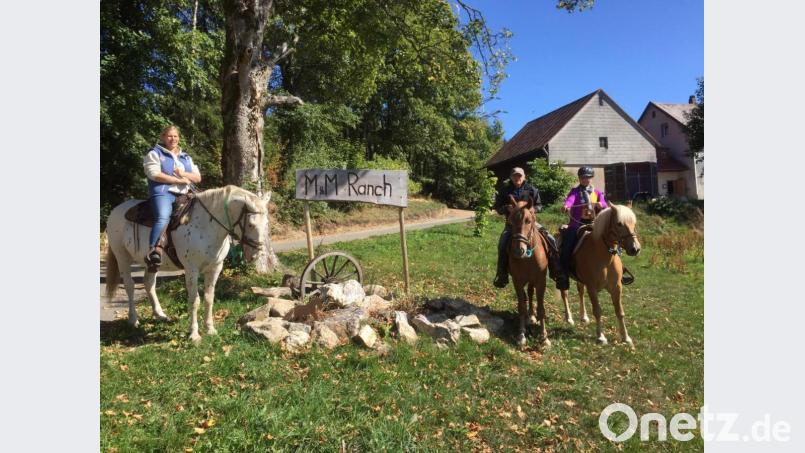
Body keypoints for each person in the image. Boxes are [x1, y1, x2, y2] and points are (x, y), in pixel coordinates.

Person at [491, 167, 561, 288]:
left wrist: (533, 209)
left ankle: (556, 270)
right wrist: (506, 208)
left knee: (550, 238)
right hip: (512, 225)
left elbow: (539, 205)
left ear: (524, 177)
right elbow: (497, 207)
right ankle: (502, 274)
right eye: (514, 176)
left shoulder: (532, 190)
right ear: (511, 177)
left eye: (519, 176)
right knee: (502, 243)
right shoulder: (505, 191)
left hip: (530, 224)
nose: (517, 178)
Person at [143, 125, 202, 267]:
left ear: (179, 138)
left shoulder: (186, 157)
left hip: (186, 194)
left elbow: (197, 177)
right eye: (169, 136)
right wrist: (178, 180)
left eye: (175, 136)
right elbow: (154, 174)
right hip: (163, 192)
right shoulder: (155, 153)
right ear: (163, 137)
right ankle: (154, 250)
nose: (173, 139)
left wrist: (184, 174)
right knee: (163, 216)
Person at [556, 166, 608, 290]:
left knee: (611, 241)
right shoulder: (575, 191)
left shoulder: (597, 193)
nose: (586, 180)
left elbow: (605, 203)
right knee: (567, 246)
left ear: (591, 178)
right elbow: (570, 200)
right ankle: (563, 275)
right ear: (579, 179)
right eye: (583, 177)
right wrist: (566, 206)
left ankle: (618, 269)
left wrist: (601, 204)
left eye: (588, 177)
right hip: (577, 224)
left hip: (594, 224)